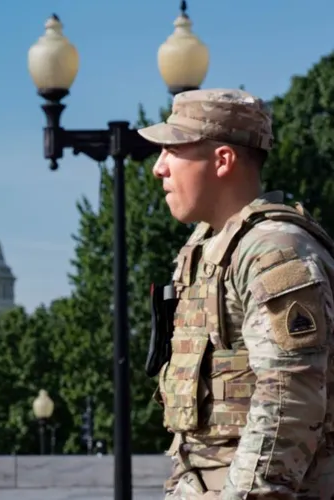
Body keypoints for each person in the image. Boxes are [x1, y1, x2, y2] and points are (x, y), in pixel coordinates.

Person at [141, 88, 334, 499]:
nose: (159, 167)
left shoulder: (274, 249)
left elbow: (288, 398)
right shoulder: (204, 249)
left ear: (223, 159)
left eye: (173, 149)